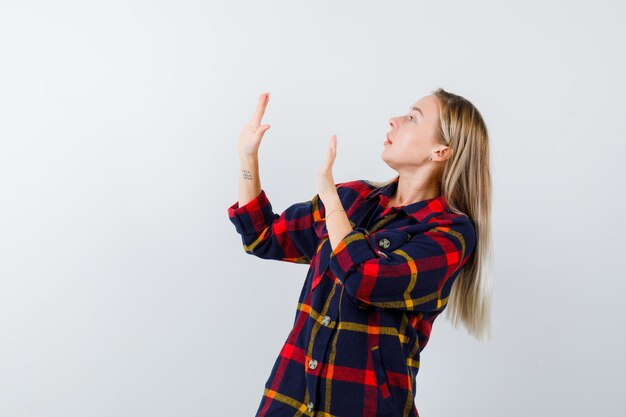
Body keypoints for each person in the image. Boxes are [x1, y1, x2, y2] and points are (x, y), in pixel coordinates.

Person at [227, 90, 492, 417]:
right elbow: (262, 237)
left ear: (441, 150)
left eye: (412, 118)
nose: (393, 121)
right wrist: (246, 159)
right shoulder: (354, 197)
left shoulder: (450, 234)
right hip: (288, 401)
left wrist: (331, 201)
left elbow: (364, 278)